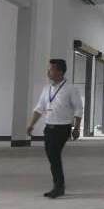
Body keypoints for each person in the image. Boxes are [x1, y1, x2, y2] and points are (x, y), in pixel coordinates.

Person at [27, 59, 83, 198]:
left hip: (62, 128)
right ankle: (58, 186)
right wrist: (31, 124)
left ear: (60, 71)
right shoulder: (47, 89)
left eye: (51, 69)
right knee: (52, 157)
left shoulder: (70, 89)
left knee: (54, 155)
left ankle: (58, 187)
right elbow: (39, 108)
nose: (48, 72)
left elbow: (78, 108)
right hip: (49, 127)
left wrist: (76, 128)